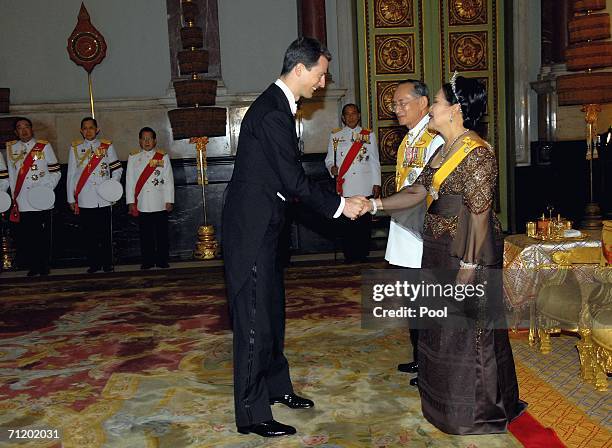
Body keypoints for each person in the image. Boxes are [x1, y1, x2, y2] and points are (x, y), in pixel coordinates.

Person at [222, 37, 367, 438]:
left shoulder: (278, 106)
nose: (322, 83)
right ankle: (252, 414)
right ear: (300, 69)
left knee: (271, 312)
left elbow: (283, 180)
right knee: (254, 320)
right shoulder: (272, 113)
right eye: (320, 75)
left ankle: (277, 387)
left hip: (267, 226)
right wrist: (340, 205)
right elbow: (294, 180)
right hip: (251, 230)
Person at [365, 74, 526, 434]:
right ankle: (443, 404)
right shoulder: (442, 148)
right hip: (437, 250)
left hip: (468, 250)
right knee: (441, 328)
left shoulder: (478, 152)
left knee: (470, 331)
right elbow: (417, 191)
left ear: (455, 109)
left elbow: (481, 213)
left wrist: (468, 267)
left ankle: (478, 411)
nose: (433, 108)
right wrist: (373, 203)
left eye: (436, 102)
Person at [387, 80, 444, 383]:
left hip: (421, 232)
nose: (396, 109)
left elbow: (425, 190)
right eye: (394, 104)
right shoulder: (411, 138)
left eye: (402, 102)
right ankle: (419, 358)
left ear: (423, 103)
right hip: (406, 230)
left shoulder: (434, 140)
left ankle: (429, 365)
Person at [325, 103, 381, 263]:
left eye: (353, 113)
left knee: (363, 224)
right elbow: (329, 159)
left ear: (358, 115)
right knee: (347, 225)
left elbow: (375, 161)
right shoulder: (336, 135)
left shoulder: (368, 135)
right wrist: (331, 168)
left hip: (364, 184)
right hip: (346, 186)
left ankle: (363, 254)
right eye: (347, 114)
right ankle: (349, 256)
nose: (351, 117)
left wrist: (376, 182)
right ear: (343, 117)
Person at [67, 117, 123, 273]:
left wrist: (112, 186)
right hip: (85, 197)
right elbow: (71, 174)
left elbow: (117, 168)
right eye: (85, 128)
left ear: (97, 129)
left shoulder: (106, 146)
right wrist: (71, 198)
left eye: (91, 127)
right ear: (81, 131)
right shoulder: (75, 148)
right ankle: (94, 263)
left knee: (105, 232)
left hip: (104, 197)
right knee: (89, 234)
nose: (88, 131)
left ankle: (107, 262)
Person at [6, 117, 61, 276]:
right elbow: (11, 175)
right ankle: (33, 265)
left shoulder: (43, 146)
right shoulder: (11, 149)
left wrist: (47, 188)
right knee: (27, 235)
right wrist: (13, 197)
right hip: (22, 198)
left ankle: (44, 265)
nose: (24, 130)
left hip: (41, 197)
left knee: (42, 234)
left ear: (32, 129)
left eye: (26, 127)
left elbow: (56, 171)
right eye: (19, 128)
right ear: (16, 132)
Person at [126, 127, 174, 270]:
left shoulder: (162, 156)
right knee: (145, 234)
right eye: (144, 139)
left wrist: (169, 200)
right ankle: (147, 260)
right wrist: (130, 202)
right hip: (142, 202)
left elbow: (168, 180)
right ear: (140, 141)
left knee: (161, 233)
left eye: (150, 139)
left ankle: (162, 260)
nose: (147, 141)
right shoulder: (133, 157)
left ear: (155, 141)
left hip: (159, 201)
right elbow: (130, 181)